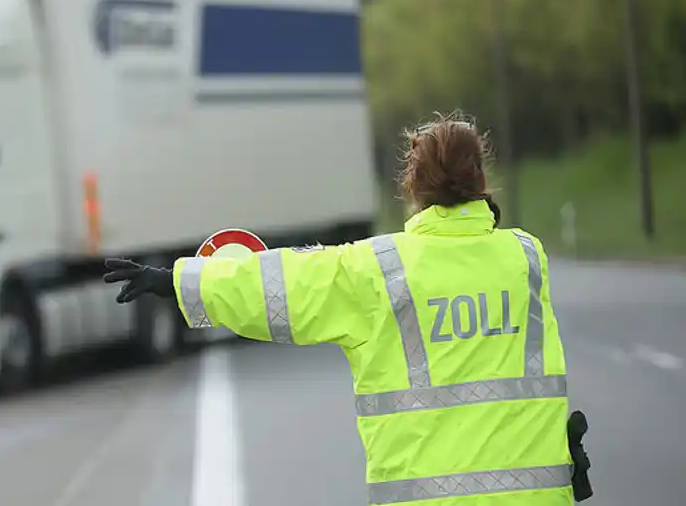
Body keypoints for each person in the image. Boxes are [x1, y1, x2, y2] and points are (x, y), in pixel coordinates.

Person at [103, 112, 592, 505]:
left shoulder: (378, 269)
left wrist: (179, 282)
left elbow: (279, 285)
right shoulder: (526, 258)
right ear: (482, 179)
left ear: (412, 188)